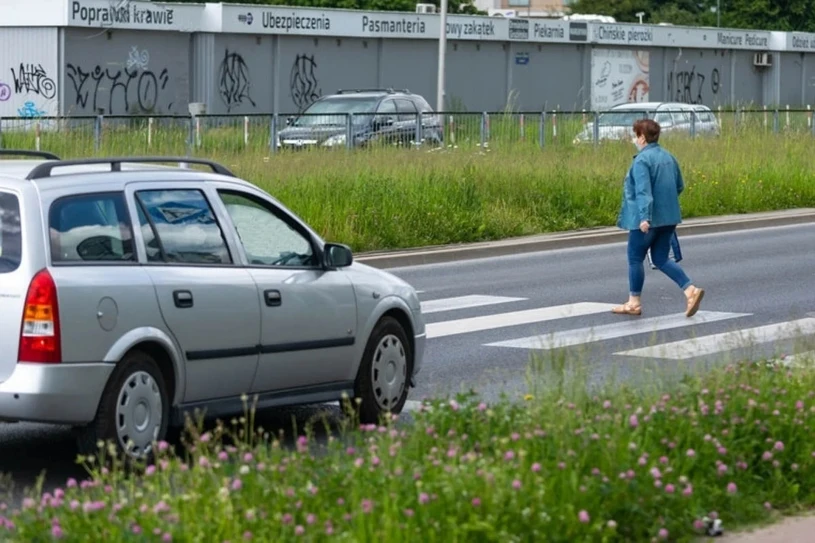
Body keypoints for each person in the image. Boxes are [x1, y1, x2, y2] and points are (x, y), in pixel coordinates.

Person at [612, 118, 704, 317]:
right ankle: (691, 291)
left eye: (636, 135)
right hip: (669, 218)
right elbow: (679, 185)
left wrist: (645, 217)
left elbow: (643, 191)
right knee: (661, 258)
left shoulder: (642, 161)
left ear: (642, 137)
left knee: (635, 258)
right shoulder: (669, 157)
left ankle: (634, 302)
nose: (634, 139)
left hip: (646, 220)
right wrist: (665, 205)